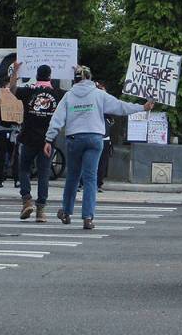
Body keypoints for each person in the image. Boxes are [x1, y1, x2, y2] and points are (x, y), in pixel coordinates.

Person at [44, 65, 154, 229]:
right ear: (90, 78)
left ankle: (66, 212)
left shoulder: (69, 96)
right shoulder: (99, 94)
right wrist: (142, 107)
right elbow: (120, 107)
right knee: (91, 179)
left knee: (73, 177)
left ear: (75, 80)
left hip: (74, 138)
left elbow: (57, 119)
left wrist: (49, 138)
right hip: (95, 138)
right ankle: (88, 217)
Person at [11, 62, 63, 222]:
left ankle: (27, 200)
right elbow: (75, 93)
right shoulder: (58, 94)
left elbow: (12, 90)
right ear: (50, 77)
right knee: (44, 173)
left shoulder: (28, 91)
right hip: (48, 139)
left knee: (24, 169)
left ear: (36, 76)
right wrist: (77, 72)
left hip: (28, 137)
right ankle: (41, 210)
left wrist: (15, 72)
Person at [0, 65, 20, 189]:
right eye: (5, 87)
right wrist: (0, 101)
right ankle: (0, 179)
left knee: (15, 156)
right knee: (1, 156)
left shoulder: (16, 98)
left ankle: (17, 179)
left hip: (14, 131)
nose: (8, 89)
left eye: (9, 87)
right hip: (1, 130)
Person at [94, 80, 115, 192]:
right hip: (97, 136)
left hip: (104, 137)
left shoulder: (106, 104)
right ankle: (86, 183)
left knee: (101, 162)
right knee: (93, 161)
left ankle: (98, 183)